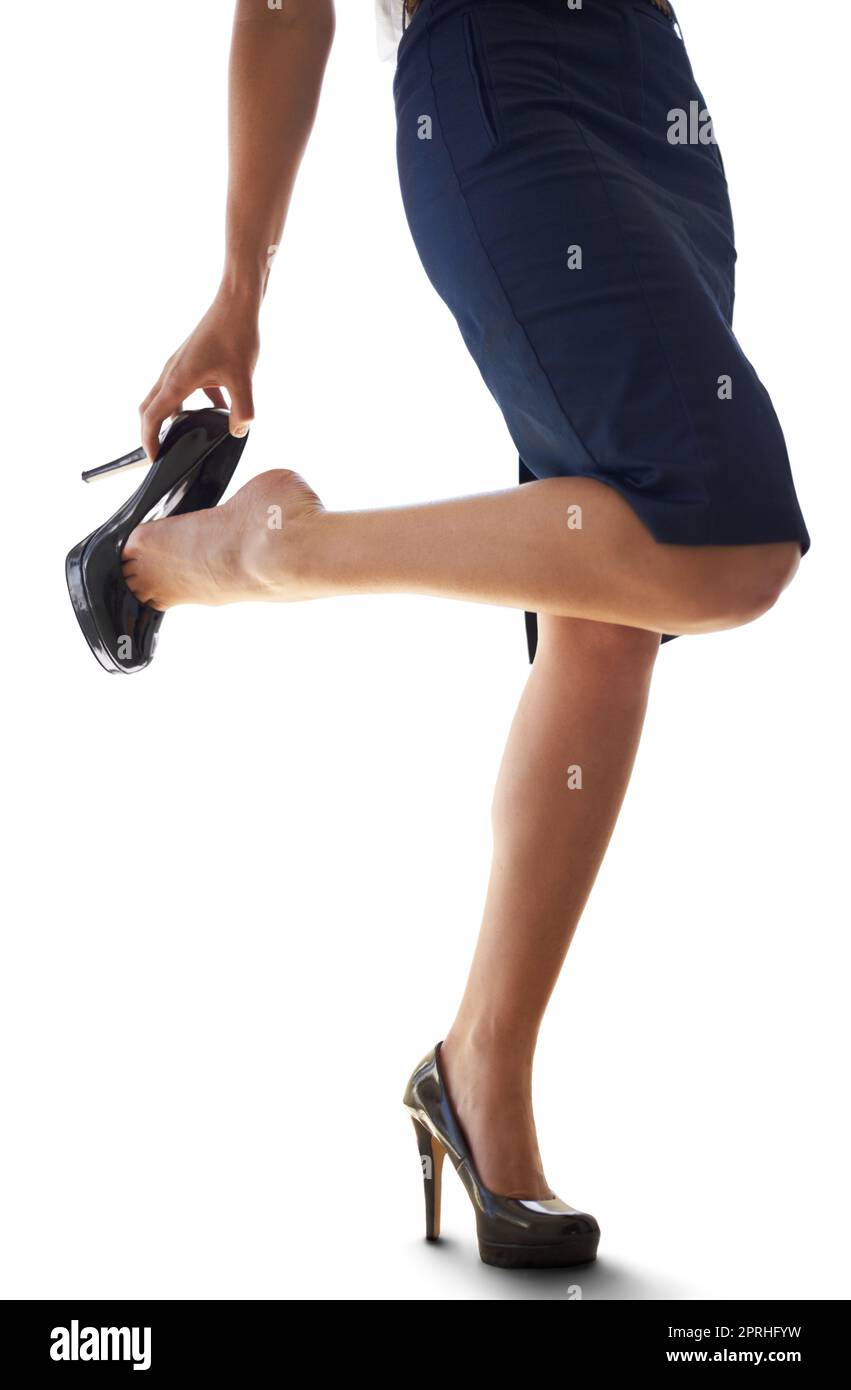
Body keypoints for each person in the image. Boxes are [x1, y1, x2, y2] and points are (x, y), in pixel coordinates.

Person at [117, 0, 809, 1267]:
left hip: (654, 95)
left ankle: (476, 1071)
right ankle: (277, 549)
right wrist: (237, 284)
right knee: (722, 540)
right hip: (498, 81)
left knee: (610, 609)